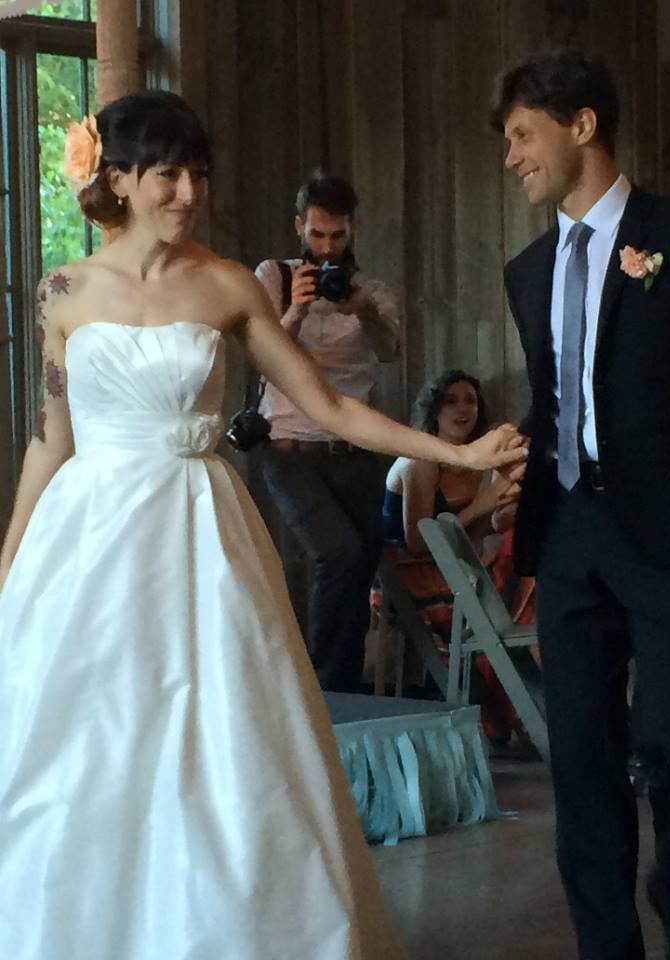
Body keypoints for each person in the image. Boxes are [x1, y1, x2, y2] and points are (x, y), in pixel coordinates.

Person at [0, 91, 526, 960]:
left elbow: (328, 406)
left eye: (197, 174)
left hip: (195, 531)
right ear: (119, 179)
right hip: (88, 541)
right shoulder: (63, 291)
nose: (188, 193)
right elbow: (49, 441)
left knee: (219, 734)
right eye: (168, 174)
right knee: (87, 740)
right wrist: (12, 564)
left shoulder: (227, 284)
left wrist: (456, 452)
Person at [494, 48, 670, 960]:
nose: (513, 157)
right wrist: (511, 456)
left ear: (583, 124)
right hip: (566, 530)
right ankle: (605, 943)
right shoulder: (526, 270)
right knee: (581, 753)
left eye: (524, 135)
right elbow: (560, 397)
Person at [254, 171, 400, 693]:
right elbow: (262, 354)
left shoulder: (371, 291)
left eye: (337, 236)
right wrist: (296, 309)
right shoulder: (273, 277)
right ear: (300, 227)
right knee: (336, 552)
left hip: (354, 446)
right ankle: (322, 688)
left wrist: (363, 310)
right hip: (290, 448)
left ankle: (345, 687)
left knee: (362, 561)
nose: (326, 248)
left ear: (353, 228)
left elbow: (389, 350)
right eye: (317, 235)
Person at [381, 369, 534, 742]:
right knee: (506, 590)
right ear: (434, 410)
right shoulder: (422, 457)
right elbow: (418, 541)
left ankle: (523, 707)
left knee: (529, 577)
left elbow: (473, 532)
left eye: (470, 401)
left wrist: (506, 508)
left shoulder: (474, 462)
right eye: (451, 401)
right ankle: (506, 709)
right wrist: (484, 502)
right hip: (412, 574)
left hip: (457, 566)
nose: (463, 409)